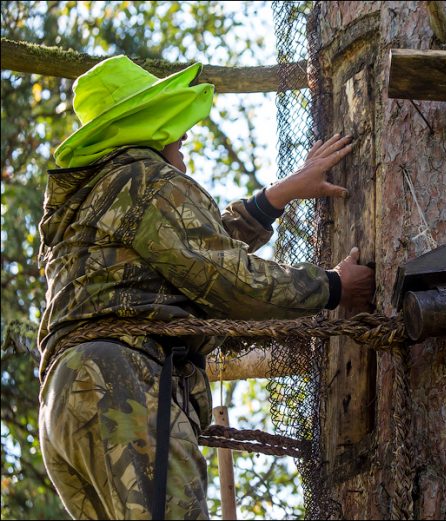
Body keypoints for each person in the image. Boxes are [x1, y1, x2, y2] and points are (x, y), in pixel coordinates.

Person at [36, 55, 374, 519]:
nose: (185, 134)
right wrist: (333, 286)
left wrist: (275, 197)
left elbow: (185, 255)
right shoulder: (147, 179)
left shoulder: (95, 195)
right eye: (175, 125)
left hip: (65, 404)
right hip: (120, 381)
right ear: (150, 127)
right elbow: (226, 281)